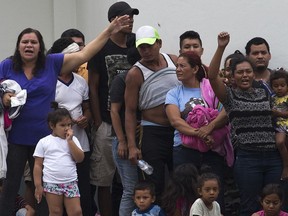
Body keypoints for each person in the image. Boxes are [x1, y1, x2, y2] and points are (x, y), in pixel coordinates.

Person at [0, 15, 130, 216]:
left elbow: (85, 54)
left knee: (45, 187)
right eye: (24, 42)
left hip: (44, 139)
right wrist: (4, 98)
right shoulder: (7, 66)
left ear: (40, 46)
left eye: (33, 42)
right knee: (9, 187)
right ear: (18, 46)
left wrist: (110, 30)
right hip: (14, 139)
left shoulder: (51, 64)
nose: (29, 45)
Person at [207, 31, 284, 215]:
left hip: (273, 157)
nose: (245, 75)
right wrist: (221, 47)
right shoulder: (230, 96)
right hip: (248, 159)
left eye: (248, 71)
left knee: (276, 205)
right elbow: (211, 76)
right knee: (250, 206)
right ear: (232, 75)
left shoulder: (264, 92)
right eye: (240, 72)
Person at [87, 2, 139, 215]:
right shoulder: (101, 47)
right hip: (107, 122)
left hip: (135, 122)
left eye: (132, 16)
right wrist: (98, 121)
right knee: (103, 180)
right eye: (125, 17)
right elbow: (93, 85)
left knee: (132, 181)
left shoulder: (137, 44)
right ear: (113, 21)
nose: (130, 20)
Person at [165, 51, 232, 212]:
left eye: (182, 66)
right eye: (177, 66)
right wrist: (199, 133)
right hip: (184, 150)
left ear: (195, 69)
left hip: (212, 149)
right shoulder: (174, 93)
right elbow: (175, 121)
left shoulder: (211, 87)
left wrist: (210, 127)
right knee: (183, 193)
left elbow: (227, 108)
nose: (178, 69)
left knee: (213, 193)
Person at [125, 25, 179, 202]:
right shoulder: (135, 73)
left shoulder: (173, 61)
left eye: (150, 45)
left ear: (159, 43)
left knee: (179, 178)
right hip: (152, 133)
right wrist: (132, 145)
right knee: (153, 181)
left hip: (178, 130)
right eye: (142, 47)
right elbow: (130, 111)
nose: (146, 51)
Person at [50, 37, 93, 216]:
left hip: (80, 143)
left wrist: (86, 119)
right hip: (57, 147)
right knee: (57, 197)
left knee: (82, 189)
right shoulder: (49, 81)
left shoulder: (81, 82)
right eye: (74, 56)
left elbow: (87, 108)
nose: (79, 60)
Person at [33, 106, 84, 215]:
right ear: (52, 125)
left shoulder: (73, 140)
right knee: (55, 212)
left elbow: (80, 158)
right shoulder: (44, 142)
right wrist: (38, 185)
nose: (66, 128)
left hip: (70, 182)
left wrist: (70, 142)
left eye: (69, 125)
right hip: (52, 183)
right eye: (62, 125)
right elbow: (38, 165)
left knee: (76, 212)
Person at [110, 45, 141, 216]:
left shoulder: (149, 77)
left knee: (143, 189)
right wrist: (122, 141)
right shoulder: (121, 79)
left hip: (143, 140)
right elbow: (114, 111)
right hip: (122, 142)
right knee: (131, 189)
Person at [270, 69, 288, 180]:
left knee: (281, 142)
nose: (279, 88)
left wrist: (278, 113)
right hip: (278, 126)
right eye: (276, 86)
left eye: (282, 85)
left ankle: (286, 166)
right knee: (280, 142)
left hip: (285, 123)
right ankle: (285, 165)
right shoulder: (272, 98)